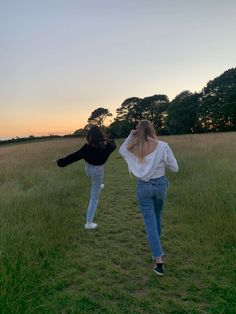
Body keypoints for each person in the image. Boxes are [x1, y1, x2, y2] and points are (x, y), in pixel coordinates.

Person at [119, 120, 178, 276]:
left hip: (143, 187)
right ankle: (157, 248)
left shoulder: (136, 148)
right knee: (157, 215)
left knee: (150, 223)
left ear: (137, 132)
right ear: (152, 130)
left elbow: (122, 150)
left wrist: (130, 136)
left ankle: (159, 261)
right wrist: (163, 162)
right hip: (160, 186)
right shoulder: (163, 146)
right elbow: (175, 168)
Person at [57, 125, 116, 229]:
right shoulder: (107, 146)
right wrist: (110, 138)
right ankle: (89, 223)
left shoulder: (87, 147)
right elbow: (114, 145)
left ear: (89, 136)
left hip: (88, 170)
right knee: (94, 197)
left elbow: (74, 156)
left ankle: (98, 185)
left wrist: (60, 162)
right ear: (101, 135)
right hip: (98, 171)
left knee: (96, 182)